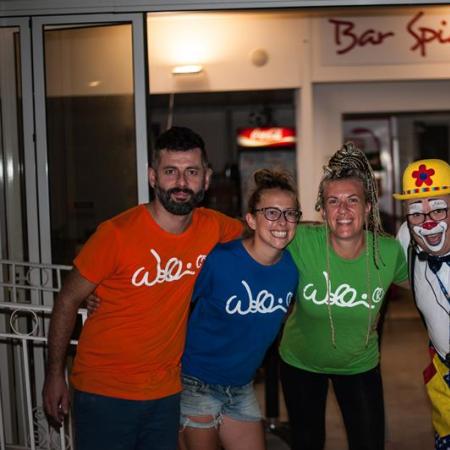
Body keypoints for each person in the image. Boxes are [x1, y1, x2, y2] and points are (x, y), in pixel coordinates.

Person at [42, 126, 243, 450]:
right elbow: (67, 299)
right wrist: (54, 375)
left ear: (206, 178)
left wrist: (324, 234)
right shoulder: (116, 234)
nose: (181, 182)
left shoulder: (214, 226)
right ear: (153, 176)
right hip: (103, 390)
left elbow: (265, 234)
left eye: (191, 172)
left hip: (165, 393)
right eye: (170, 171)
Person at [278, 142, 409, 450]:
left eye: (353, 200)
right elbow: (252, 246)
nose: (344, 210)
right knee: (307, 442)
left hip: (359, 364)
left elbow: (425, 285)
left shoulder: (388, 252)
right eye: (333, 201)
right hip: (300, 362)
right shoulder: (300, 242)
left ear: (367, 206)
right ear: (322, 210)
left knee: (369, 442)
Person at [178, 169, 300, 450]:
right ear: (251, 220)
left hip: (241, 385)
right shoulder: (220, 261)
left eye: (289, 213)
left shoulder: (291, 269)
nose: (281, 221)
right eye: (271, 212)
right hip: (197, 380)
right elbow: (173, 299)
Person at [394, 159, 450, 450]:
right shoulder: (406, 239)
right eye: (416, 213)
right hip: (444, 373)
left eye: (439, 209)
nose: (428, 222)